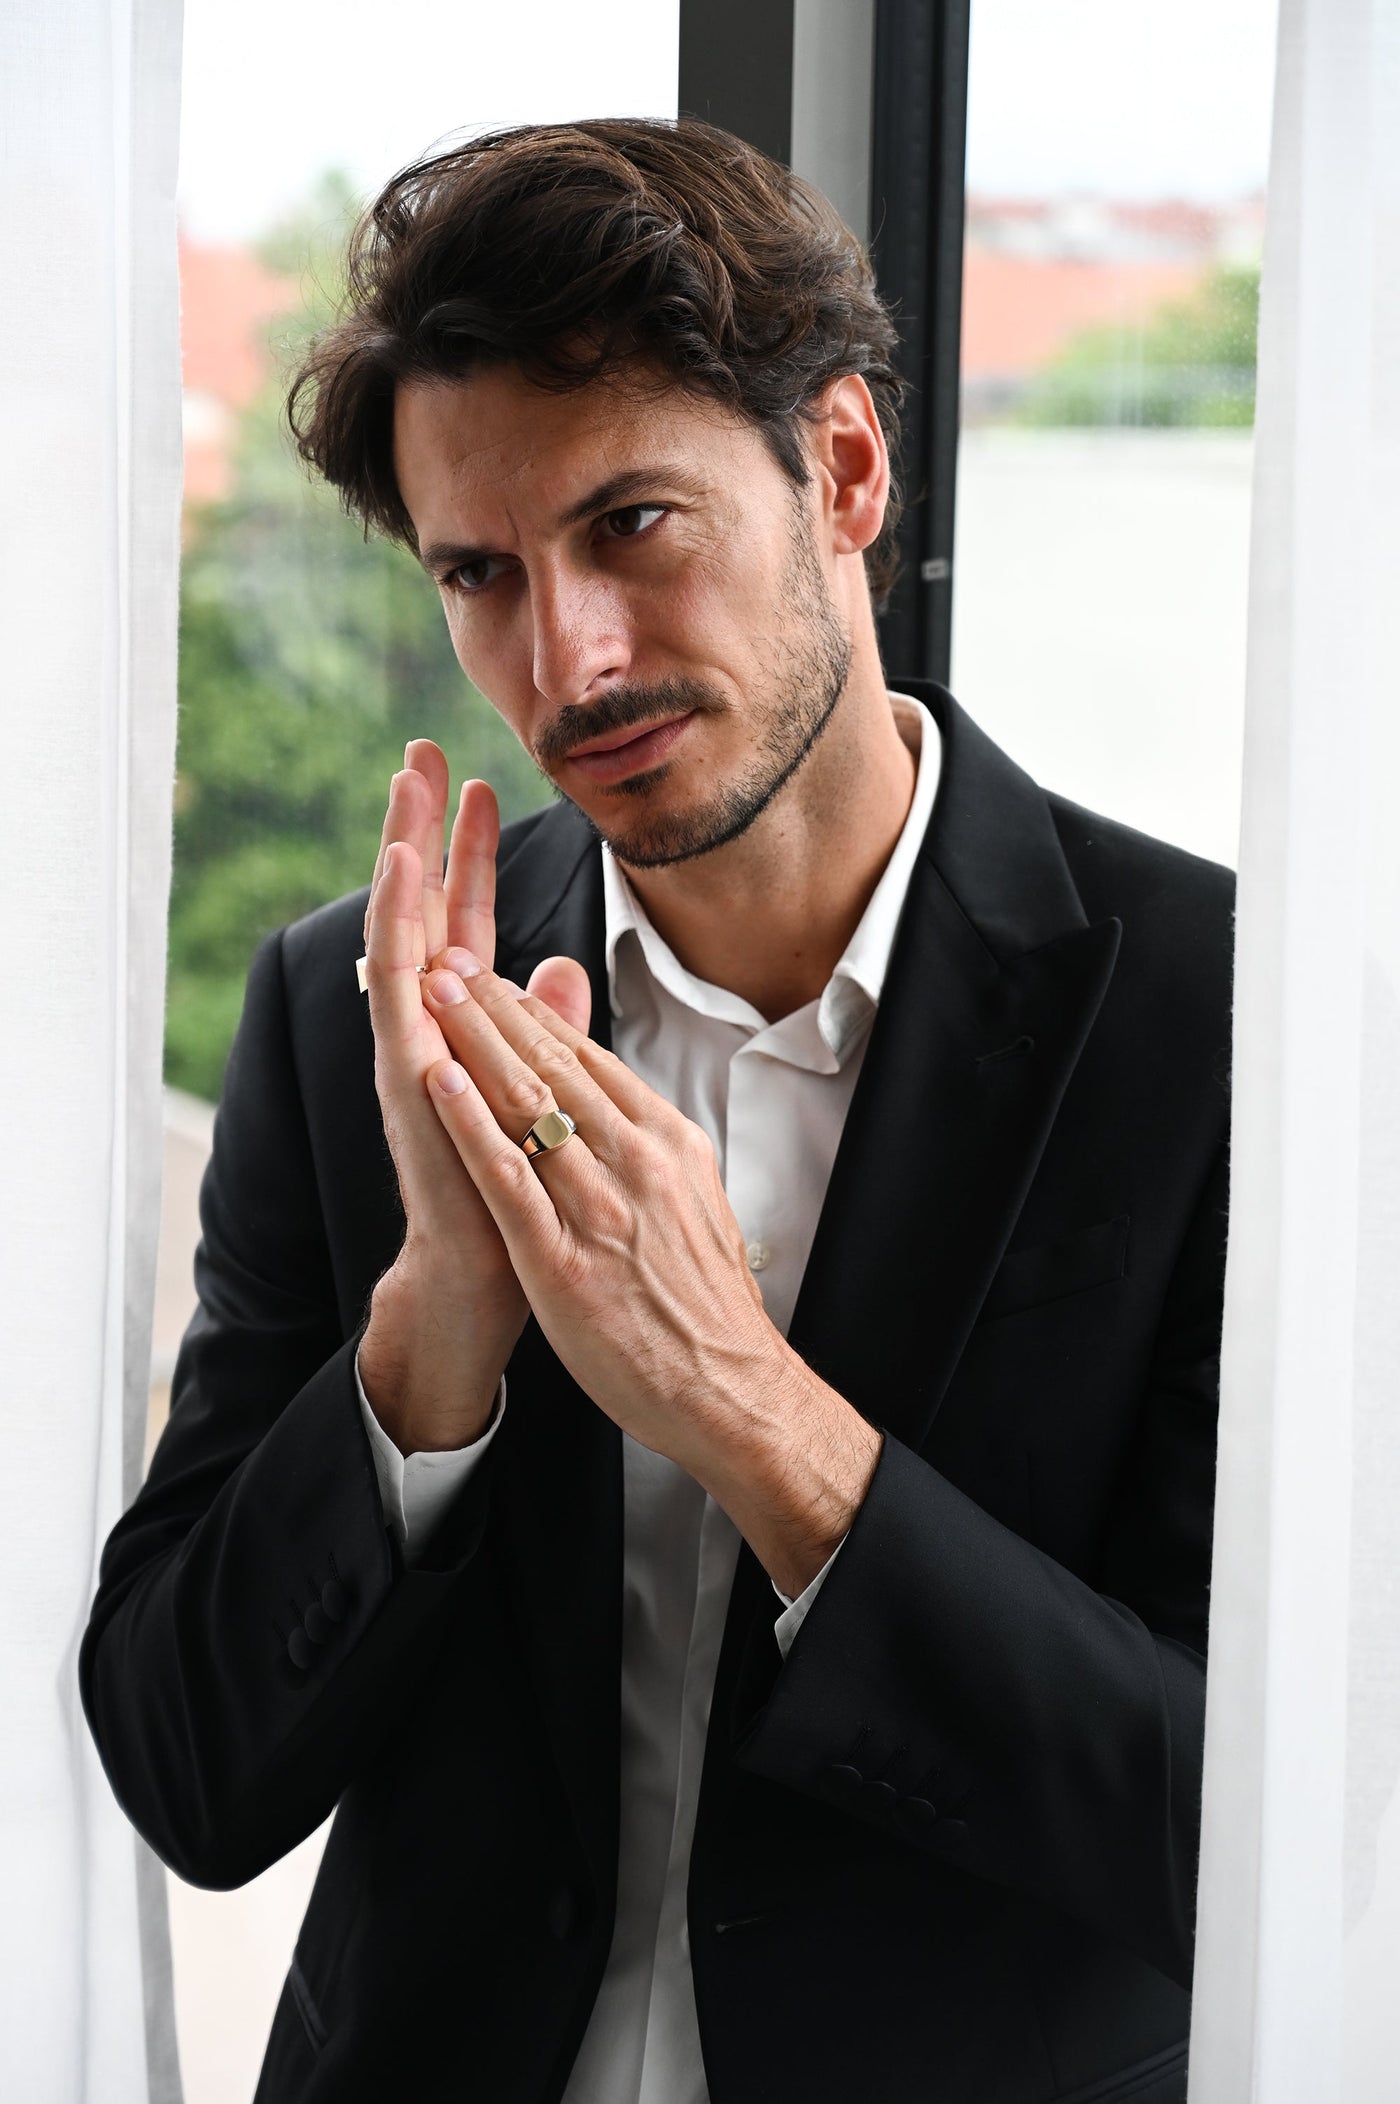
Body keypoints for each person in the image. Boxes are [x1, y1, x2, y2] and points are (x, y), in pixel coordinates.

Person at [81, 119, 1232, 2104]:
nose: (568, 658)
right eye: (481, 573)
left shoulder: (1226, 1026)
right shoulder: (350, 1005)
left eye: (631, 525)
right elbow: (191, 1768)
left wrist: (757, 1416)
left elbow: (1242, 1828)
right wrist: (437, 1325)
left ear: (845, 470)